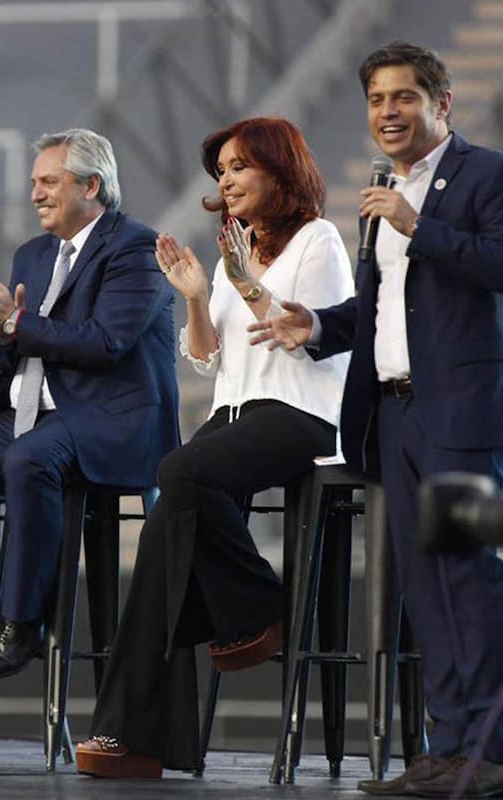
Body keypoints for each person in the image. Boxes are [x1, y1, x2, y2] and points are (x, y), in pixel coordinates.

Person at [249, 41, 503, 796]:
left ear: (441, 105)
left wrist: (419, 224)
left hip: (460, 417)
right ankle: (449, 745)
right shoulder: (385, 190)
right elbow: (385, 308)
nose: (387, 112)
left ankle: (489, 751)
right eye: (376, 100)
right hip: (395, 419)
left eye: (403, 97)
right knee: (423, 589)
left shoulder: (485, 176)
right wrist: (318, 327)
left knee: (471, 581)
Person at [75, 117, 353, 779]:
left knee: (180, 472)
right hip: (235, 412)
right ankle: (134, 739)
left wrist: (245, 280)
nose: (225, 180)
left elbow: (299, 334)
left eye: (238, 167)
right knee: (166, 537)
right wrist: (199, 297)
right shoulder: (236, 248)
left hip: (301, 413)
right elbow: (206, 356)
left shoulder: (318, 240)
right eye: (221, 170)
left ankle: (262, 607)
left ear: (277, 170)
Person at [0, 128, 179, 683]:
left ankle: (23, 627)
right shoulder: (33, 254)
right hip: (30, 417)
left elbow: (105, 343)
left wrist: (18, 324)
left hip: (108, 421)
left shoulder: (136, 249)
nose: (36, 194)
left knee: (28, 459)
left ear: (92, 185)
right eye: (34, 183)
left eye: (49, 182)